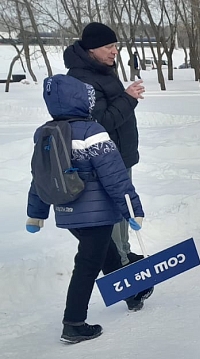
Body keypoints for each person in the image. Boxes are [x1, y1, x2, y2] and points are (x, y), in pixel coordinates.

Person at [26, 75, 148, 343]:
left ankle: (131, 293)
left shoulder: (45, 132)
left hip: (66, 211)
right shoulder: (91, 132)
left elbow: (40, 176)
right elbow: (115, 176)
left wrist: (36, 212)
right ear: (82, 101)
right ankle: (73, 323)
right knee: (88, 263)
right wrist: (132, 210)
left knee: (108, 254)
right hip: (97, 213)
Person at [64, 22, 143, 267]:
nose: (114, 51)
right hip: (104, 158)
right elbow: (101, 121)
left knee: (123, 209)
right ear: (91, 49)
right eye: (108, 46)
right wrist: (128, 98)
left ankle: (125, 253)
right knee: (114, 211)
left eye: (115, 45)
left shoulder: (101, 69)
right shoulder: (81, 78)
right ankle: (119, 263)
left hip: (120, 155)